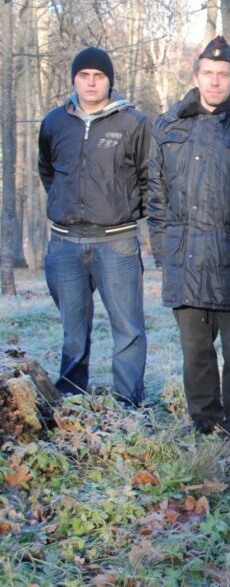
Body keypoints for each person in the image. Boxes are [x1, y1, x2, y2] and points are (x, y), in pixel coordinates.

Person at [149, 36, 230, 436]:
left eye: (223, 75)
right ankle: (204, 422)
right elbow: (156, 196)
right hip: (185, 259)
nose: (215, 81)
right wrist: (164, 253)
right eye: (208, 73)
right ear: (196, 76)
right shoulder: (169, 125)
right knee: (196, 352)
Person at [39, 46, 151, 407]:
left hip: (115, 242)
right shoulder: (54, 122)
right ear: (74, 79)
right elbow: (48, 170)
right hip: (65, 243)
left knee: (128, 328)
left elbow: (150, 177)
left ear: (109, 81)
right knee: (73, 330)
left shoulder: (132, 122)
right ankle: (72, 398)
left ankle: (128, 403)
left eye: (98, 76)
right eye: (84, 75)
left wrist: (123, 209)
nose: (91, 82)